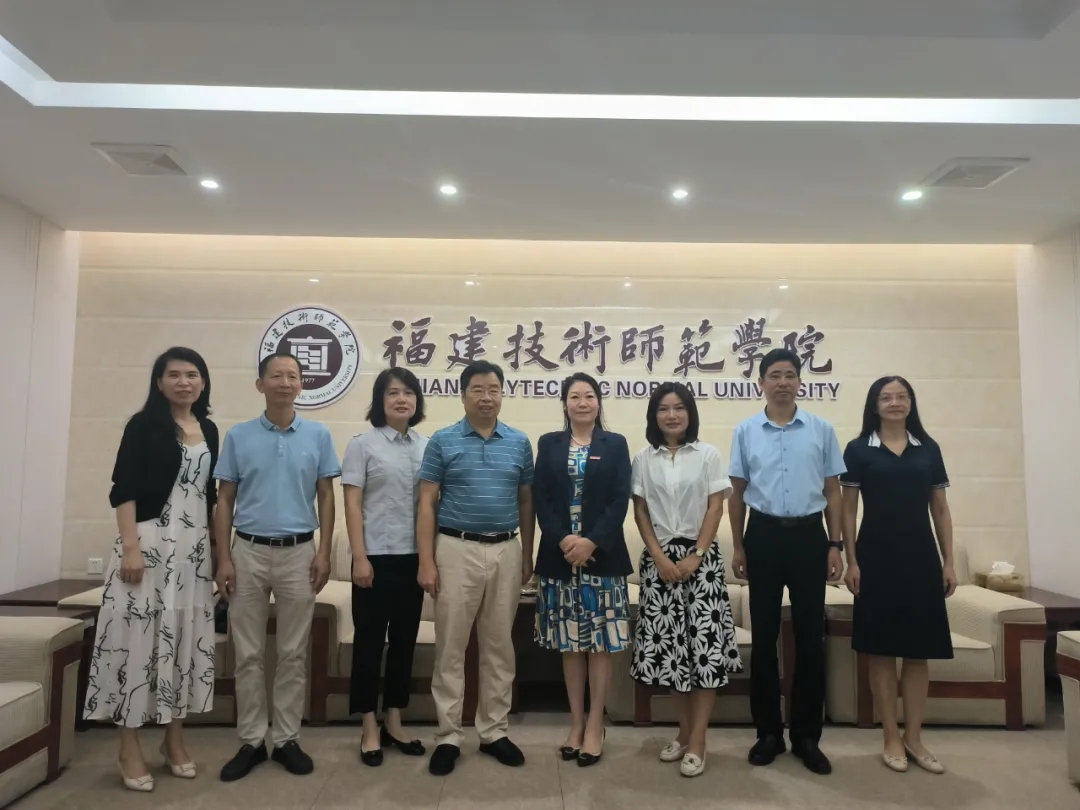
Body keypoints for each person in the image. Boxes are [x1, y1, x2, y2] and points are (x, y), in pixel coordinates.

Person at [86, 347, 219, 792]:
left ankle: (173, 740)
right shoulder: (143, 425)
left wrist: (216, 552)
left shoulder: (209, 429)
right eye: (174, 374)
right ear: (159, 382)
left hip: (193, 554)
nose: (184, 382)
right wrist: (130, 548)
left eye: (192, 374)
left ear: (203, 382)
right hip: (148, 546)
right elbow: (122, 487)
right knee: (136, 645)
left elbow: (209, 496)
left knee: (181, 642)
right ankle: (128, 746)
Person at [213, 351, 341, 781]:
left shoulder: (318, 435)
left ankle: (286, 739)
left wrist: (324, 552)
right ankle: (251, 740)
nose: (285, 382)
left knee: (292, 652)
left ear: (302, 384)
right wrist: (223, 557)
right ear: (260, 384)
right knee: (247, 653)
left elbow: (326, 494)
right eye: (277, 376)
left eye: (293, 376)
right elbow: (225, 499)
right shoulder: (239, 436)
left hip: (299, 553)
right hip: (247, 551)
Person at [728, 348, 845, 775]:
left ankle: (807, 736)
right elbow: (736, 493)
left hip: (810, 537)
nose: (782, 382)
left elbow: (833, 490)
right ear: (760, 382)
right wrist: (738, 546)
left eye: (790, 374)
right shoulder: (745, 431)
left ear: (800, 382)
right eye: (774, 375)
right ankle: (768, 733)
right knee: (764, 638)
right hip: (762, 536)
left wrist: (835, 544)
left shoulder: (821, 429)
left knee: (811, 637)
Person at [417, 359, 536, 776]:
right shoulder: (443, 440)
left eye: (494, 389)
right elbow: (427, 501)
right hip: (455, 548)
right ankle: (448, 736)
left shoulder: (518, 442)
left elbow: (526, 500)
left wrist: (527, 553)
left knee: (499, 646)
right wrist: (426, 560)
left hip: (506, 549)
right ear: (463, 394)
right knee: (451, 646)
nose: (487, 397)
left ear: (502, 393)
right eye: (478, 389)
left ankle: (493, 732)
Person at [840, 376, 955, 775]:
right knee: (882, 650)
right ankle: (890, 735)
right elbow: (848, 510)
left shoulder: (928, 448)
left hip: (921, 557)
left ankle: (915, 737)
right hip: (875, 557)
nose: (894, 402)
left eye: (901, 396)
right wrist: (852, 560)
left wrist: (949, 561)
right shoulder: (859, 449)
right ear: (874, 405)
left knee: (918, 652)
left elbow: (940, 508)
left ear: (911, 403)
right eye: (886, 397)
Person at [629, 382, 743, 778]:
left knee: (704, 650)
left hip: (702, 562)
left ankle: (699, 741)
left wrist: (696, 554)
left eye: (679, 407)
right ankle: (682, 732)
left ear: (690, 413)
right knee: (673, 653)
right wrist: (659, 557)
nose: (672, 415)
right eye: (664, 408)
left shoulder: (707, 454)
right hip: (659, 563)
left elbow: (716, 507)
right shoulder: (643, 458)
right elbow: (640, 511)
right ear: (654, 416)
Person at [533, 372, 632, 768]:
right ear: (565, 403)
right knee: (571, 645)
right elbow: (541, 498)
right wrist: (564, 541)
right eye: (574, 396)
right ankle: (575, 723)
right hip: (560, 559)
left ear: (598, 402)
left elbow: (620, 499)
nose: (582, 402)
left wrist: (591, 541)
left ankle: (595, 725)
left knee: (600, 646)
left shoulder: (615, 444)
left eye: (589, 395)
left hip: (602, 559)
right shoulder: (549, 443)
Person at [341, 368, 429, 766]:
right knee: (369, 643)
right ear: (380, 400)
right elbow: (352, 505)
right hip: (374, 558)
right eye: (393, 392)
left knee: (404, 642)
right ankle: (368, 725)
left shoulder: (427, 446)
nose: (401, 399)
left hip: (413, 558)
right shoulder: (362, 445)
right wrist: (359, 557)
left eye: (408, 392)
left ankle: (394, 719)